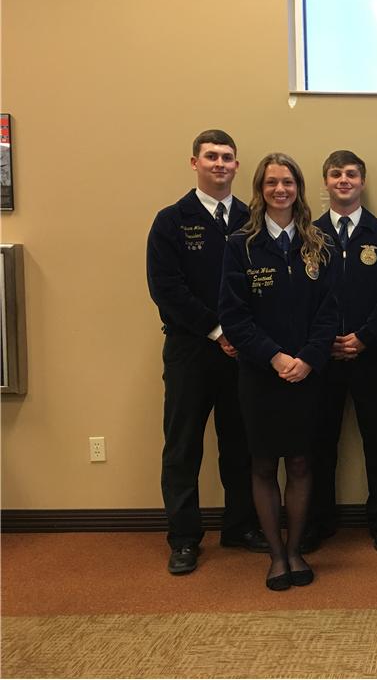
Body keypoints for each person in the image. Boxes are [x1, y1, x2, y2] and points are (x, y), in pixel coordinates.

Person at [146, 129, 266, 575]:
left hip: (244, 353)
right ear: (194, 162)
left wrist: (247, 336)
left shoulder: (252, 220)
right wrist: (217, 331)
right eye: (211, 156)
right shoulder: (171, 220)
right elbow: (166, 289)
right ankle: (183, 537)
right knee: (183, 447)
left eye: (228, 157)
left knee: (241, 443)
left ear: (237, 166)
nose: (220, 164)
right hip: (191, 350)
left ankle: (240, 525)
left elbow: (263, 283)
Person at [219, 152, 339, 590]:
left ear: (299, 189)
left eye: (287, 182)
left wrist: (307, 358)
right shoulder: (241, 246)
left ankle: (295, 550)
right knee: (265, 464)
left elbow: (330, 312)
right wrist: (273, 357)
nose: (280, 190)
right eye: (271, 183)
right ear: (260, 189)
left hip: (308, 374)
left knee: (303, 463)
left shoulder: (317, 244)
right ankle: (275, 555)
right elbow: (233, 316)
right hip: (261, 374)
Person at [308, 150, 377, 554]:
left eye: (351, 174)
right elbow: (302, 298)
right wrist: (324, 339)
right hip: (321, 358)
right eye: (335, 174)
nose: (343, 180)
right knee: (318, 443)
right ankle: (319, 520)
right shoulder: (307, 234)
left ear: (362, 182)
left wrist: (364, 337)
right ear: (325, 182)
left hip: (372, 356)